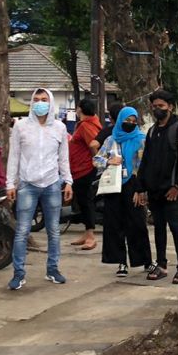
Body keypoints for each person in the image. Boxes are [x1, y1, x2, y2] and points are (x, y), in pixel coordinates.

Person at [5, 89, 72, 290]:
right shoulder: (21, 127)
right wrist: (10, 183)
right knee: (22, 231)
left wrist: (68, 181)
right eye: (36, 100)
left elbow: (63, 158)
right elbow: (14, 156)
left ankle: (53, 269)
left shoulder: (59, 128)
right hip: (27, 183)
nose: (40, 103)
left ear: (50, 103)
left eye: (44, 100)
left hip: (52, 183)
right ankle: (18, 274)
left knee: (54, 231)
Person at [136, 90, 178, 283]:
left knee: (177, 229)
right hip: (155, 191)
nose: (157, 109)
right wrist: (141, 187)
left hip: (173, 192)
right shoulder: (152, 131)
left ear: (170, 106)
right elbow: (146, 161)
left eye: (161, 106)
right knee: (158, 229)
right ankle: (161, 265)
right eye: (154, 106)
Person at [95, 106, 152, 277]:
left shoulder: (141, 139)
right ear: (120, 120)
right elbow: (96, 159)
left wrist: (141, 189)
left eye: (133, 121)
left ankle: (145, 260)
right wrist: (108, 161)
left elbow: (145, 165)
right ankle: (121, 262)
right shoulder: (111, 140)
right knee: (114, 224)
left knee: (137, 224)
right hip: (113, 186)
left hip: (133, 185)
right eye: (127, 120)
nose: (130, 124)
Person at [68, 100, 103, 250]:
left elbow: (94, 144)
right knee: (82, 202)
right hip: (78, 169)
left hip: (85, 169)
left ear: (80, 109)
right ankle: (86, 233)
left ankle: (90, 235)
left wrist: (97, 162)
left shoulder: (86, 126)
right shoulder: (86, 124)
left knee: (86, 202)